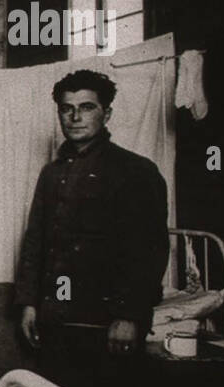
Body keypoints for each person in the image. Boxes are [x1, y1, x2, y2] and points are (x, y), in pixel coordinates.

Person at [15, 69, 168, 359]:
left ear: (106, 114)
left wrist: (129, 316)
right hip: (55, 316)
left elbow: (149, 250)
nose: (75, 117)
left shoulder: (136, 171)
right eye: (67, 109)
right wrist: (28, 303)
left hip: (106, 321)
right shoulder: (52, 173)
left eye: (86, 108)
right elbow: (36, 241)